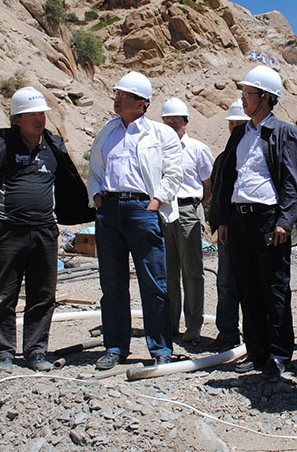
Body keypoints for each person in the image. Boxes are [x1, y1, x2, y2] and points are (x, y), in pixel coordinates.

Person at [0, 86, 93, 372]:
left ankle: (36, 352)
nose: (39, 119)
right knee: (3, 295)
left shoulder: (52, 146)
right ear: (17, 119)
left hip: (45, 232)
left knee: (43, 295)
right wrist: (6, 211)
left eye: (41, 114)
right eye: (32, 115)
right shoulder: (1, 147)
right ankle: (2, 353)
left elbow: (66, 183)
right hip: (10, 232)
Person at [215, 65, 297, 378]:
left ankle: (279, 354)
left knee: (275, 288)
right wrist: (224, 219)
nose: (242, 98)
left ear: (265, 97)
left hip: (269, 220)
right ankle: (256, 352)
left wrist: (285, 220)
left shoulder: (284, 132)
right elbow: (227, 178)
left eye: (248, 93)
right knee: (248, 288)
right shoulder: (240, 134)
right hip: (239, 220)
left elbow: (293, 180)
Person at [87, 72, 183, 370]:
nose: (117, 99)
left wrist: (154, 204)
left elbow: (173, 174)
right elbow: (95, 171)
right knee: (112, 284)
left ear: (141, 103)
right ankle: (115, 347)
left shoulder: (160, 134)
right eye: (117, 94)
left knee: (154, 283)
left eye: (124, 95)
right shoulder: (107, 132)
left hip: (143, 210)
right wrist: (98, 200)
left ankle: (160, 348)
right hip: (109, 210)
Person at [160, 98, 215, 343]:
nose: (172, 123)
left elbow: (208, 187)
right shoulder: (158, 149)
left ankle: (193, 325)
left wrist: (194, 209)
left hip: (188, 211)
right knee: (168, 271)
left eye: (176, 120)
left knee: (192, 272)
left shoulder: (197, 149)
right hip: (164, 211)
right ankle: (170, 324)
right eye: (167, 120)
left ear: (186, 122)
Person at [206, 99, 249, 352]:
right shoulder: (222, 159)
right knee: (226, 282)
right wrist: (220, 222)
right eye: (231, 124)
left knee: (251, 283)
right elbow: (218, 193)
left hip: (250, 227)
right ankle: (227, 332)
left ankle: (256, 336)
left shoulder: (256, 155)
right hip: (227, 231)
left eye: (239, 124)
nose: (234, 128)